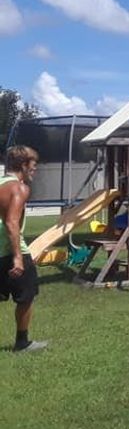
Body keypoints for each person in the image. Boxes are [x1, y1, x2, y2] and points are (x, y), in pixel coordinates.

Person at [0, 145, 46, 352]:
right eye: (33, 165)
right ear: (23, 165)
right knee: (26, 297)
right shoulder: (19, 188)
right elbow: (11, 223)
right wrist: (18, 257)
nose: (35, 169)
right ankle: (22, 342)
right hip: (12, 250)